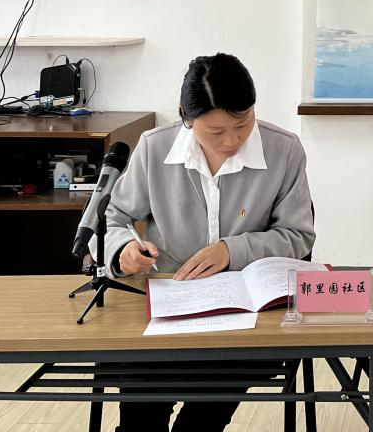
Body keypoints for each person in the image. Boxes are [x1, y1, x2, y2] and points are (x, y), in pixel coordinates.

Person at [101, 52, 316, 432]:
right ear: (187, 117)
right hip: (167, 307)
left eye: (242, 124)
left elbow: (298, 235)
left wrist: (233, 250)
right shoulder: (154, 148)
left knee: (201, 420)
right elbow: (113, 217)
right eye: (216, 132)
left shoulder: (284, 151)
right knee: (140, 417)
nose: (232, 141)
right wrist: (123, 250)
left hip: (248, 315)